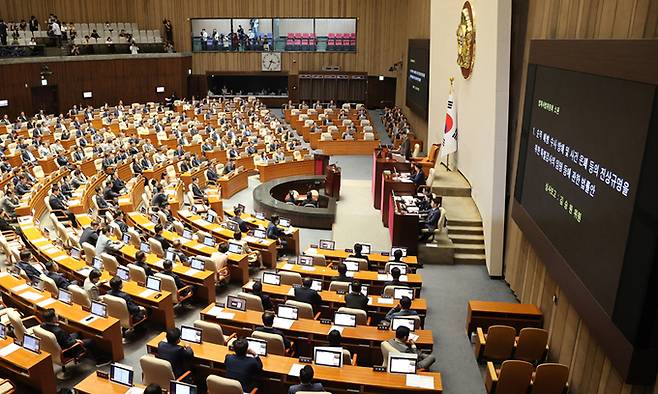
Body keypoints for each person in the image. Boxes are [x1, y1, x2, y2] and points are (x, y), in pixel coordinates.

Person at [40, 308, 109, 366]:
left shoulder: (43, 325)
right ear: (53, 319)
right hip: (67, 350)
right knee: (91, 341)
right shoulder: (58, 331)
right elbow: (67, 344)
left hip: (57, 344)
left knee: (78, 333)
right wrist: (76, 341)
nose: (57, 316)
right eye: (55, 315)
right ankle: (100, 360)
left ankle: (83, 353)